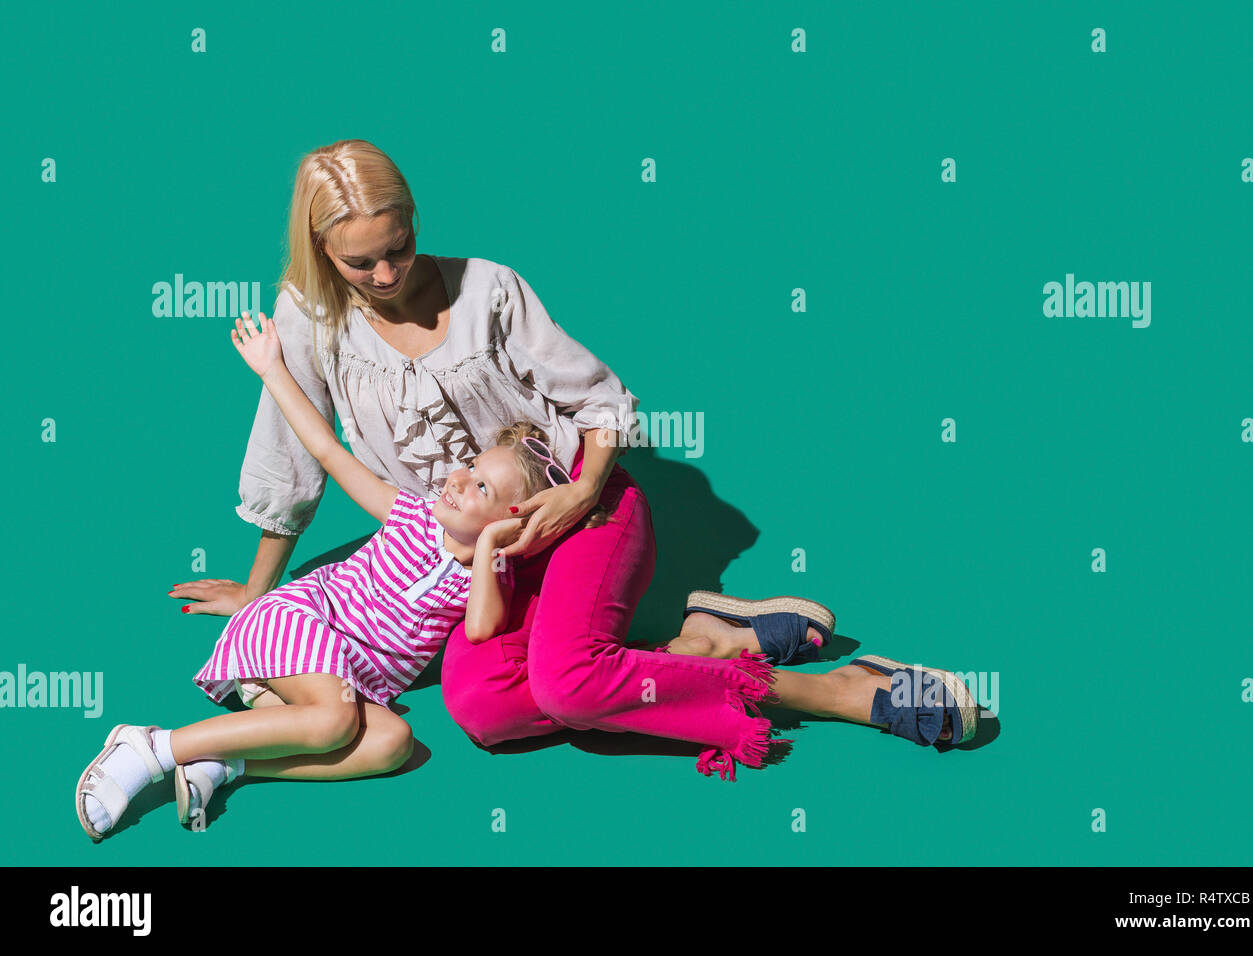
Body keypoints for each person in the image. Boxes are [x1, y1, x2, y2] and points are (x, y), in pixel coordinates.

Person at [165, 139, 977, 795]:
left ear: (415, 220)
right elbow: (295, 447)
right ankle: (703, 644)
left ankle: (833, 692)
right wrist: (259, 590)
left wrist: (582, 490)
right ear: (320, 253)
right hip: (475, 557)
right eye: (359, 263)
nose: (385, 275)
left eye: (398, 248)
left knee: (568, 687)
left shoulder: (488, 292)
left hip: (581, 512)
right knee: (482, 708)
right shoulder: (308, 317)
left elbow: (600, 402)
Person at [74, 308, 577, 841]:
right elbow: (326, 449)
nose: (459, 479)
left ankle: (225, 763)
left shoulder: (485, 574)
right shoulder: (409, 513)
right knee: (336, 722)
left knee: (394, 744)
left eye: (482, 489)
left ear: (506, 523)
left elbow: (480, 628)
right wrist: (273, 370)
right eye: (472, 465)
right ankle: (151, 747)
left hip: (333, 685)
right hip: (295, 623)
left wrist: (493, 549)